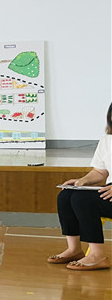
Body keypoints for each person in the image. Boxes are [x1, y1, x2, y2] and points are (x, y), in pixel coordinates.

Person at [47, 102, 112, 270]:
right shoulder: (107, 140)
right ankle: (74, 249)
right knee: (66, 195)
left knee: (83, 199)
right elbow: (100, 171)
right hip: (110, 190)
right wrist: (82, 181)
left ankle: (97, 255)